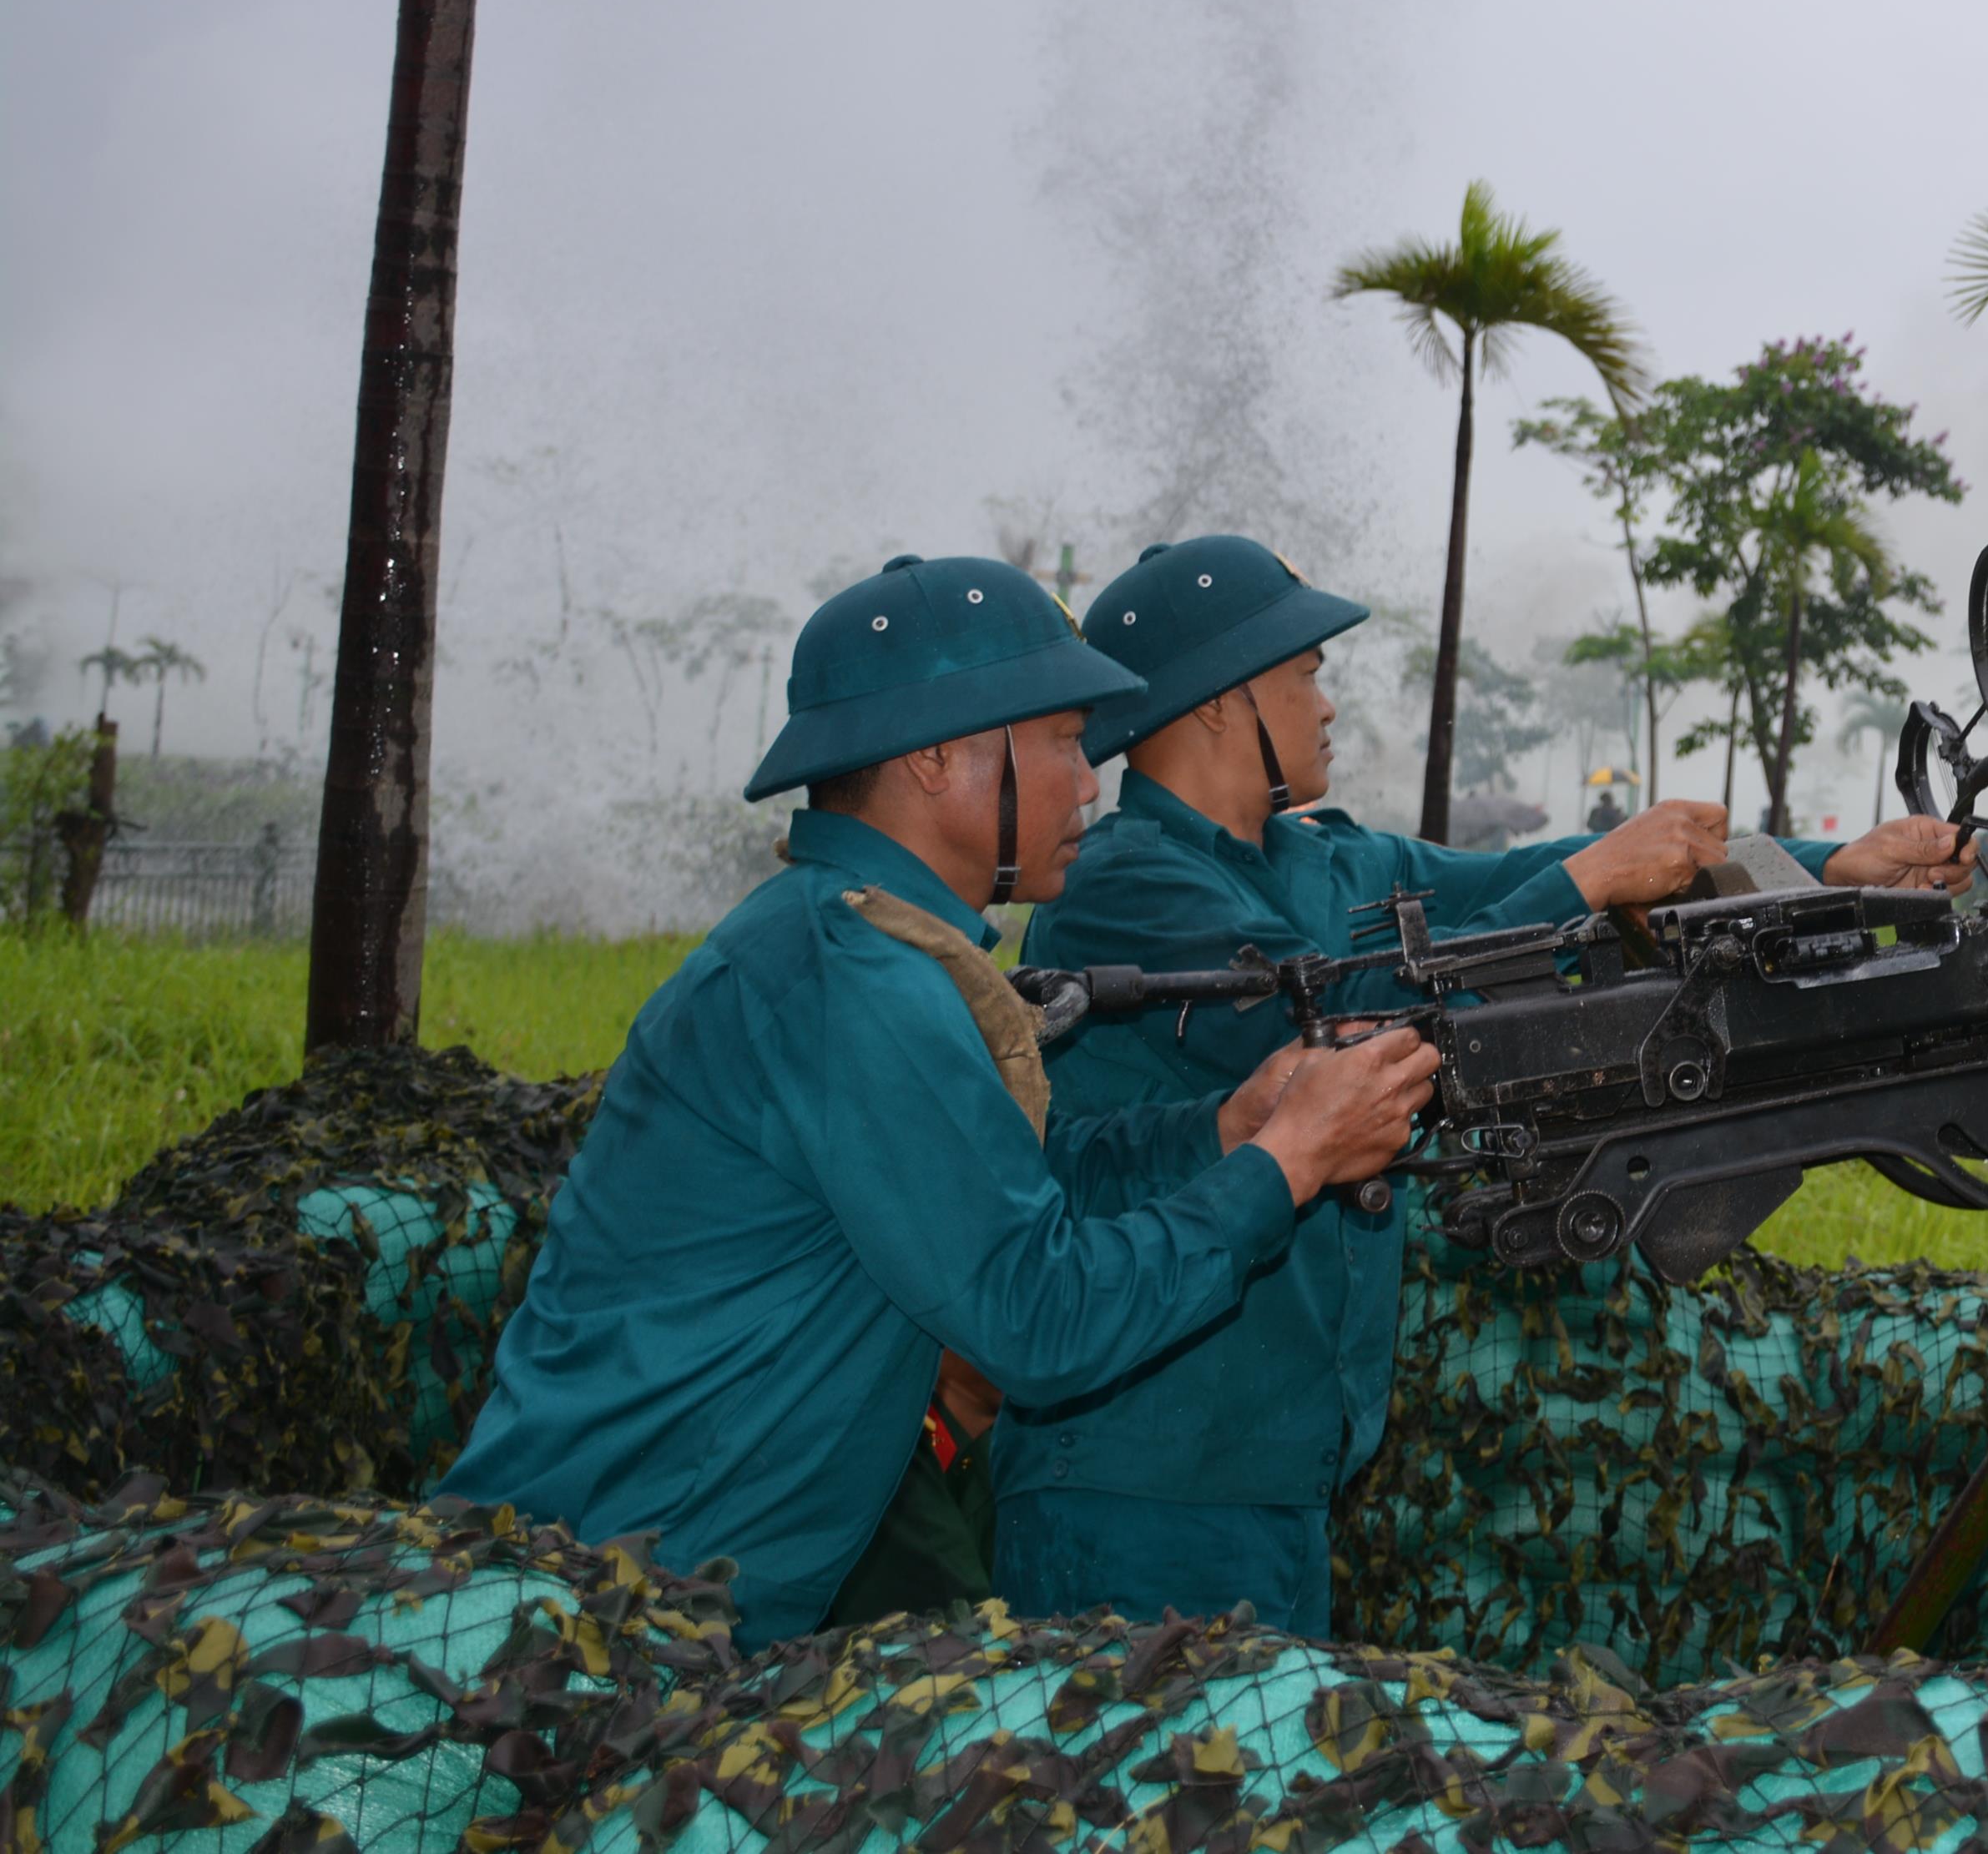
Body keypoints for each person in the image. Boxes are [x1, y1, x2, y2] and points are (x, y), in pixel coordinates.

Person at [441, 555, 1438, 1650]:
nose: (1090, 783)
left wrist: (1223, 1130)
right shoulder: (849, 984)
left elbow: (1015, 1186)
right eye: (1061, 741)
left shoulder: (862, 947)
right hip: (594, 1617)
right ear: (934, 759)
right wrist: (1285, 1165)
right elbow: (1038, 1317)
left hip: (654, 1595)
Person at [1002, 535, 1976, 1634]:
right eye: (1306, 675)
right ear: (1224, 701)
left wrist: (1827, 870)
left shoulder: (1320, 861)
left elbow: (1505, 880)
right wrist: (1589, 879)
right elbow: (1342, 1028)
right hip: (1140, 1476)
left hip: (1275, 1466)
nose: (1328, 703)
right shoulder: (1126, 884)